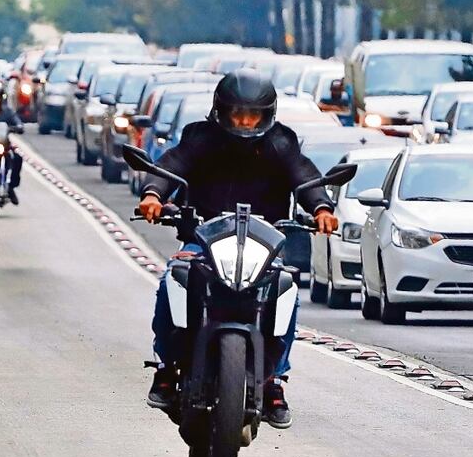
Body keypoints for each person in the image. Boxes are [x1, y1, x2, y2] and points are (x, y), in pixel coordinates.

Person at [138, 69, 339, 428]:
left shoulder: (281, 143)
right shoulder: (199, 138)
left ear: (267, 115)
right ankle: (166, 367)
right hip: (203, 239)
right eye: (237, 115)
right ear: (221, 111)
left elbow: (305, 176)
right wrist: (153, 195)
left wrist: (321, 208)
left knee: (285, 289)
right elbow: (171, 165)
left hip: (264, 245)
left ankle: (274, 379)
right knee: (175, 276)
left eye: (253, 116)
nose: (245, 123)